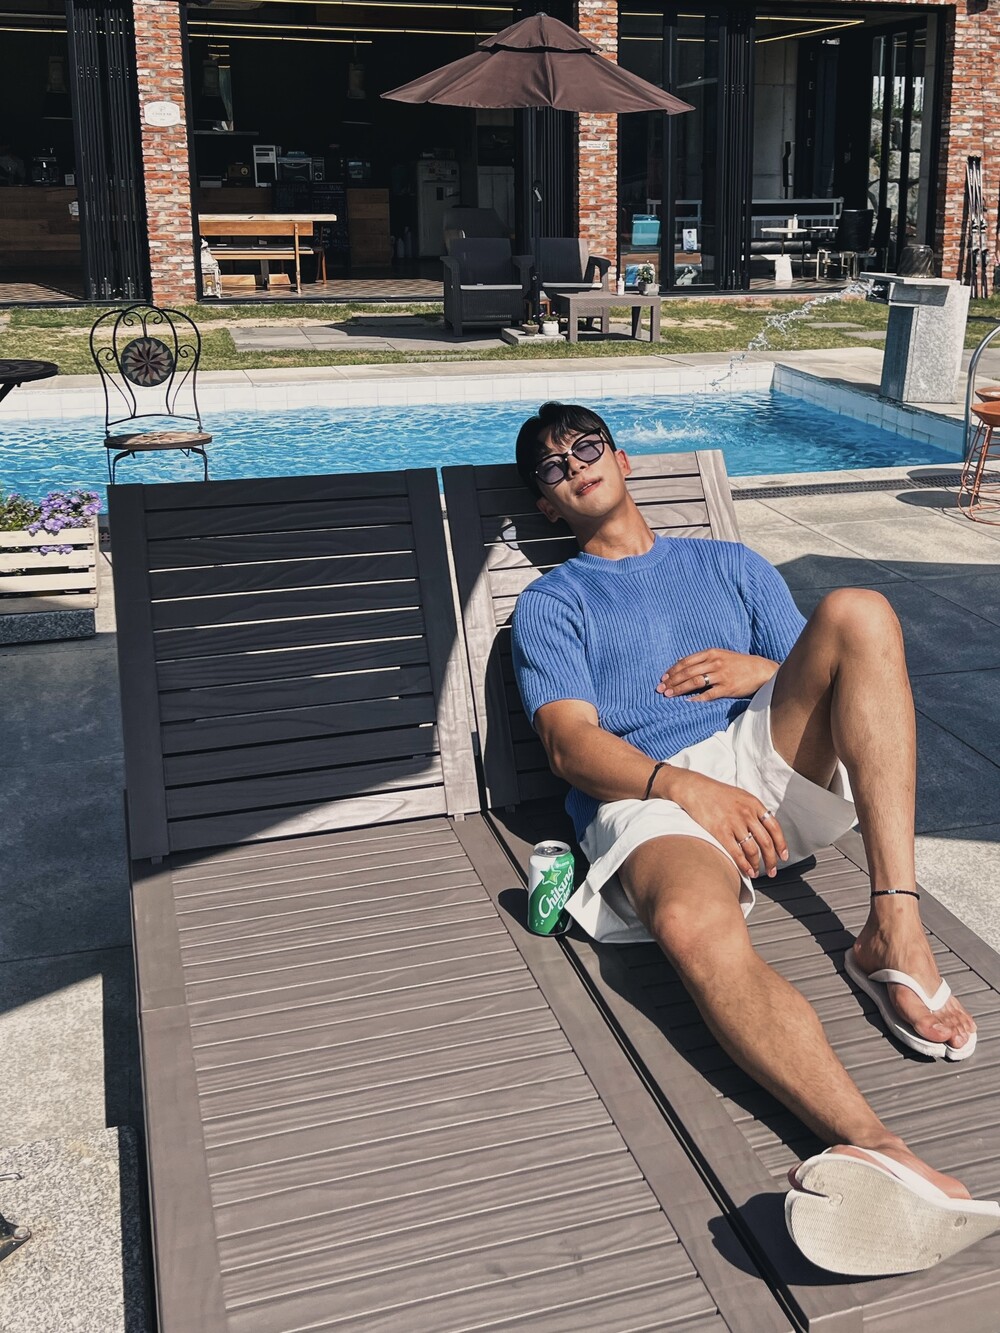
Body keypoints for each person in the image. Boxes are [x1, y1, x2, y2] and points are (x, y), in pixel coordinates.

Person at [511, 401, 1000, 1277]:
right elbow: (568, 744)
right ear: (547, 503)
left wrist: (760, 672)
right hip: (648, 791)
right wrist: (684, 787)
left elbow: (846, 671)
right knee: (690, 924)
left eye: (586, 446)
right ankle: (881, 1152)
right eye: (554, 467)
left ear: (621, 458)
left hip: (758, 757)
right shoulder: (553, 602)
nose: (576, 466)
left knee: (860, 609)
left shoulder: (729, 564)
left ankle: (894, 927)